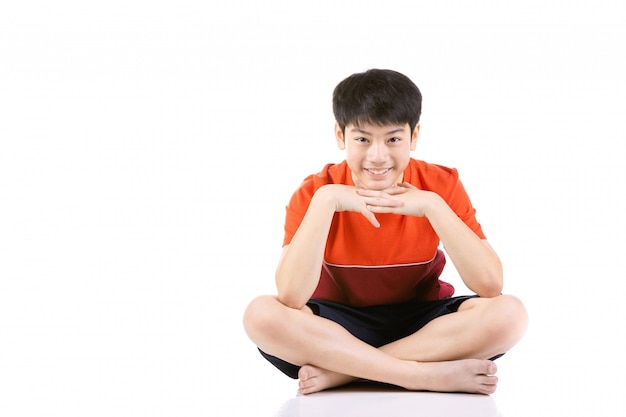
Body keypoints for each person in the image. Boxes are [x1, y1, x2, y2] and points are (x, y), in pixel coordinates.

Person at [243, 69, 528, 395]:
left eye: (393, 139)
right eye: (362, 139)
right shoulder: (315, 191)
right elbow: (292, 297)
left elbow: (491, 285)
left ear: (414, 136)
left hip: (423, 327)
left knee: (509, 314)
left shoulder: (440, 185)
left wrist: (433, 206)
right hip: (335, 329)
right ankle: (419, 376)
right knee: (261, 315)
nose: (377, 157)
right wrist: (327, 201)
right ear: (340, 136)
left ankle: (346, 373)